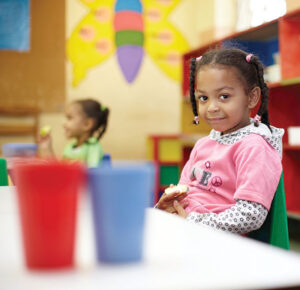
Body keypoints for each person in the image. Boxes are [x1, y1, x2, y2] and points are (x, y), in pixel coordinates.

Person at [156, 48, 284, 234]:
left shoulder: (254, 146)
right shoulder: (203, 144)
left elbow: (250, 215)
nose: (212, 107)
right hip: (187, 229)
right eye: (203, 98)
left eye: (224, 96)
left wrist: (194, 222)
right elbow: (185, 190)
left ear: (252, 97)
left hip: (216, 241)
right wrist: (170, 204)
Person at [39, 98, 109, 168]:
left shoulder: (93, 146)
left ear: (87, 124)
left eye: (69, 118)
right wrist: (47, 148)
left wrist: (77, 165)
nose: (63, 123)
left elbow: (93, 169)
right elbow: (58, 170)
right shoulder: (69, 148)